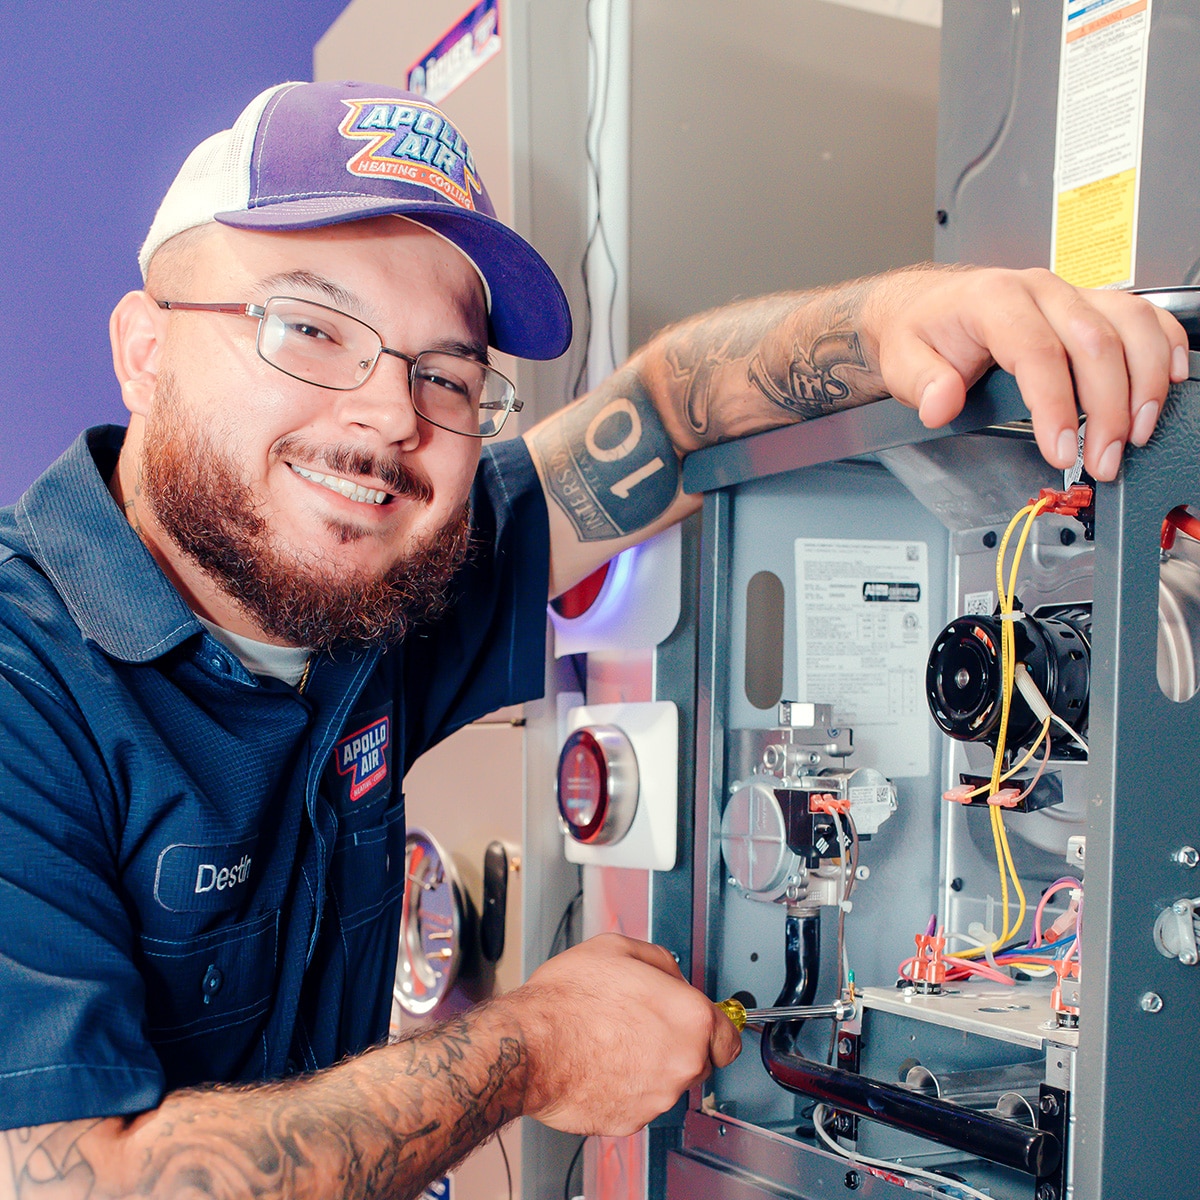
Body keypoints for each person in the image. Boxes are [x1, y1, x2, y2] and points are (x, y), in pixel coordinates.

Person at [0, 79, 1186, 1200]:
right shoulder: (25, 678)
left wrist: (904, 314)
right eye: (308, 328)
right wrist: (530, 1050)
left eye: (448, 376)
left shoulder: (358, 583)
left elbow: (666, 420)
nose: (386, 416)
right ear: (143, 351)